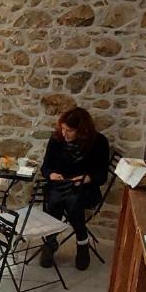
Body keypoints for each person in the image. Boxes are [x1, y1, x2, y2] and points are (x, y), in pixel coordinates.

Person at [38, 107, 111, 271]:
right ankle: (80, 240)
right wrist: (51, 175)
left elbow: (101, 176)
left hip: (86, 189)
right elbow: (45, 167)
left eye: (69, 130)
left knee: (72, 200)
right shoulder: (57, 139)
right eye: (63, 128)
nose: (64, 134)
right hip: (60, 184)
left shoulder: (98, 142)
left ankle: (55, 242)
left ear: (82, 131)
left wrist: (86, 179)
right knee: (61, 198)